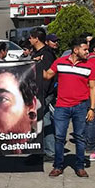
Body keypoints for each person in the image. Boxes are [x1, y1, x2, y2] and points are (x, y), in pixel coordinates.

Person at [43, 37, 95, 177]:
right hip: (61, 106)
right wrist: (34, 65)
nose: (87, 52)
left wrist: (91, 108)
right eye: (85, 49)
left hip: (81, 106)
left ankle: (79, 166)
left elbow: (92, 87)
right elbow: (48, 75)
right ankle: (58, 165)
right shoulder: (60, 62)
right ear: (75, 50)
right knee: (59, 137)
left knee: (80, 137)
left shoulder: (89, 66)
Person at [29, 27, 57, 162]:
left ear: (36, 39)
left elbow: (47, 76)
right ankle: (42, 149)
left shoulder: (46, 54)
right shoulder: (37, 52)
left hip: (44, 93)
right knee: (41, 121)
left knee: (45, 121)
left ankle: (50, 152)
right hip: (37, 93)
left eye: (31, 37)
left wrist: (42, 94)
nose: (29, 40)